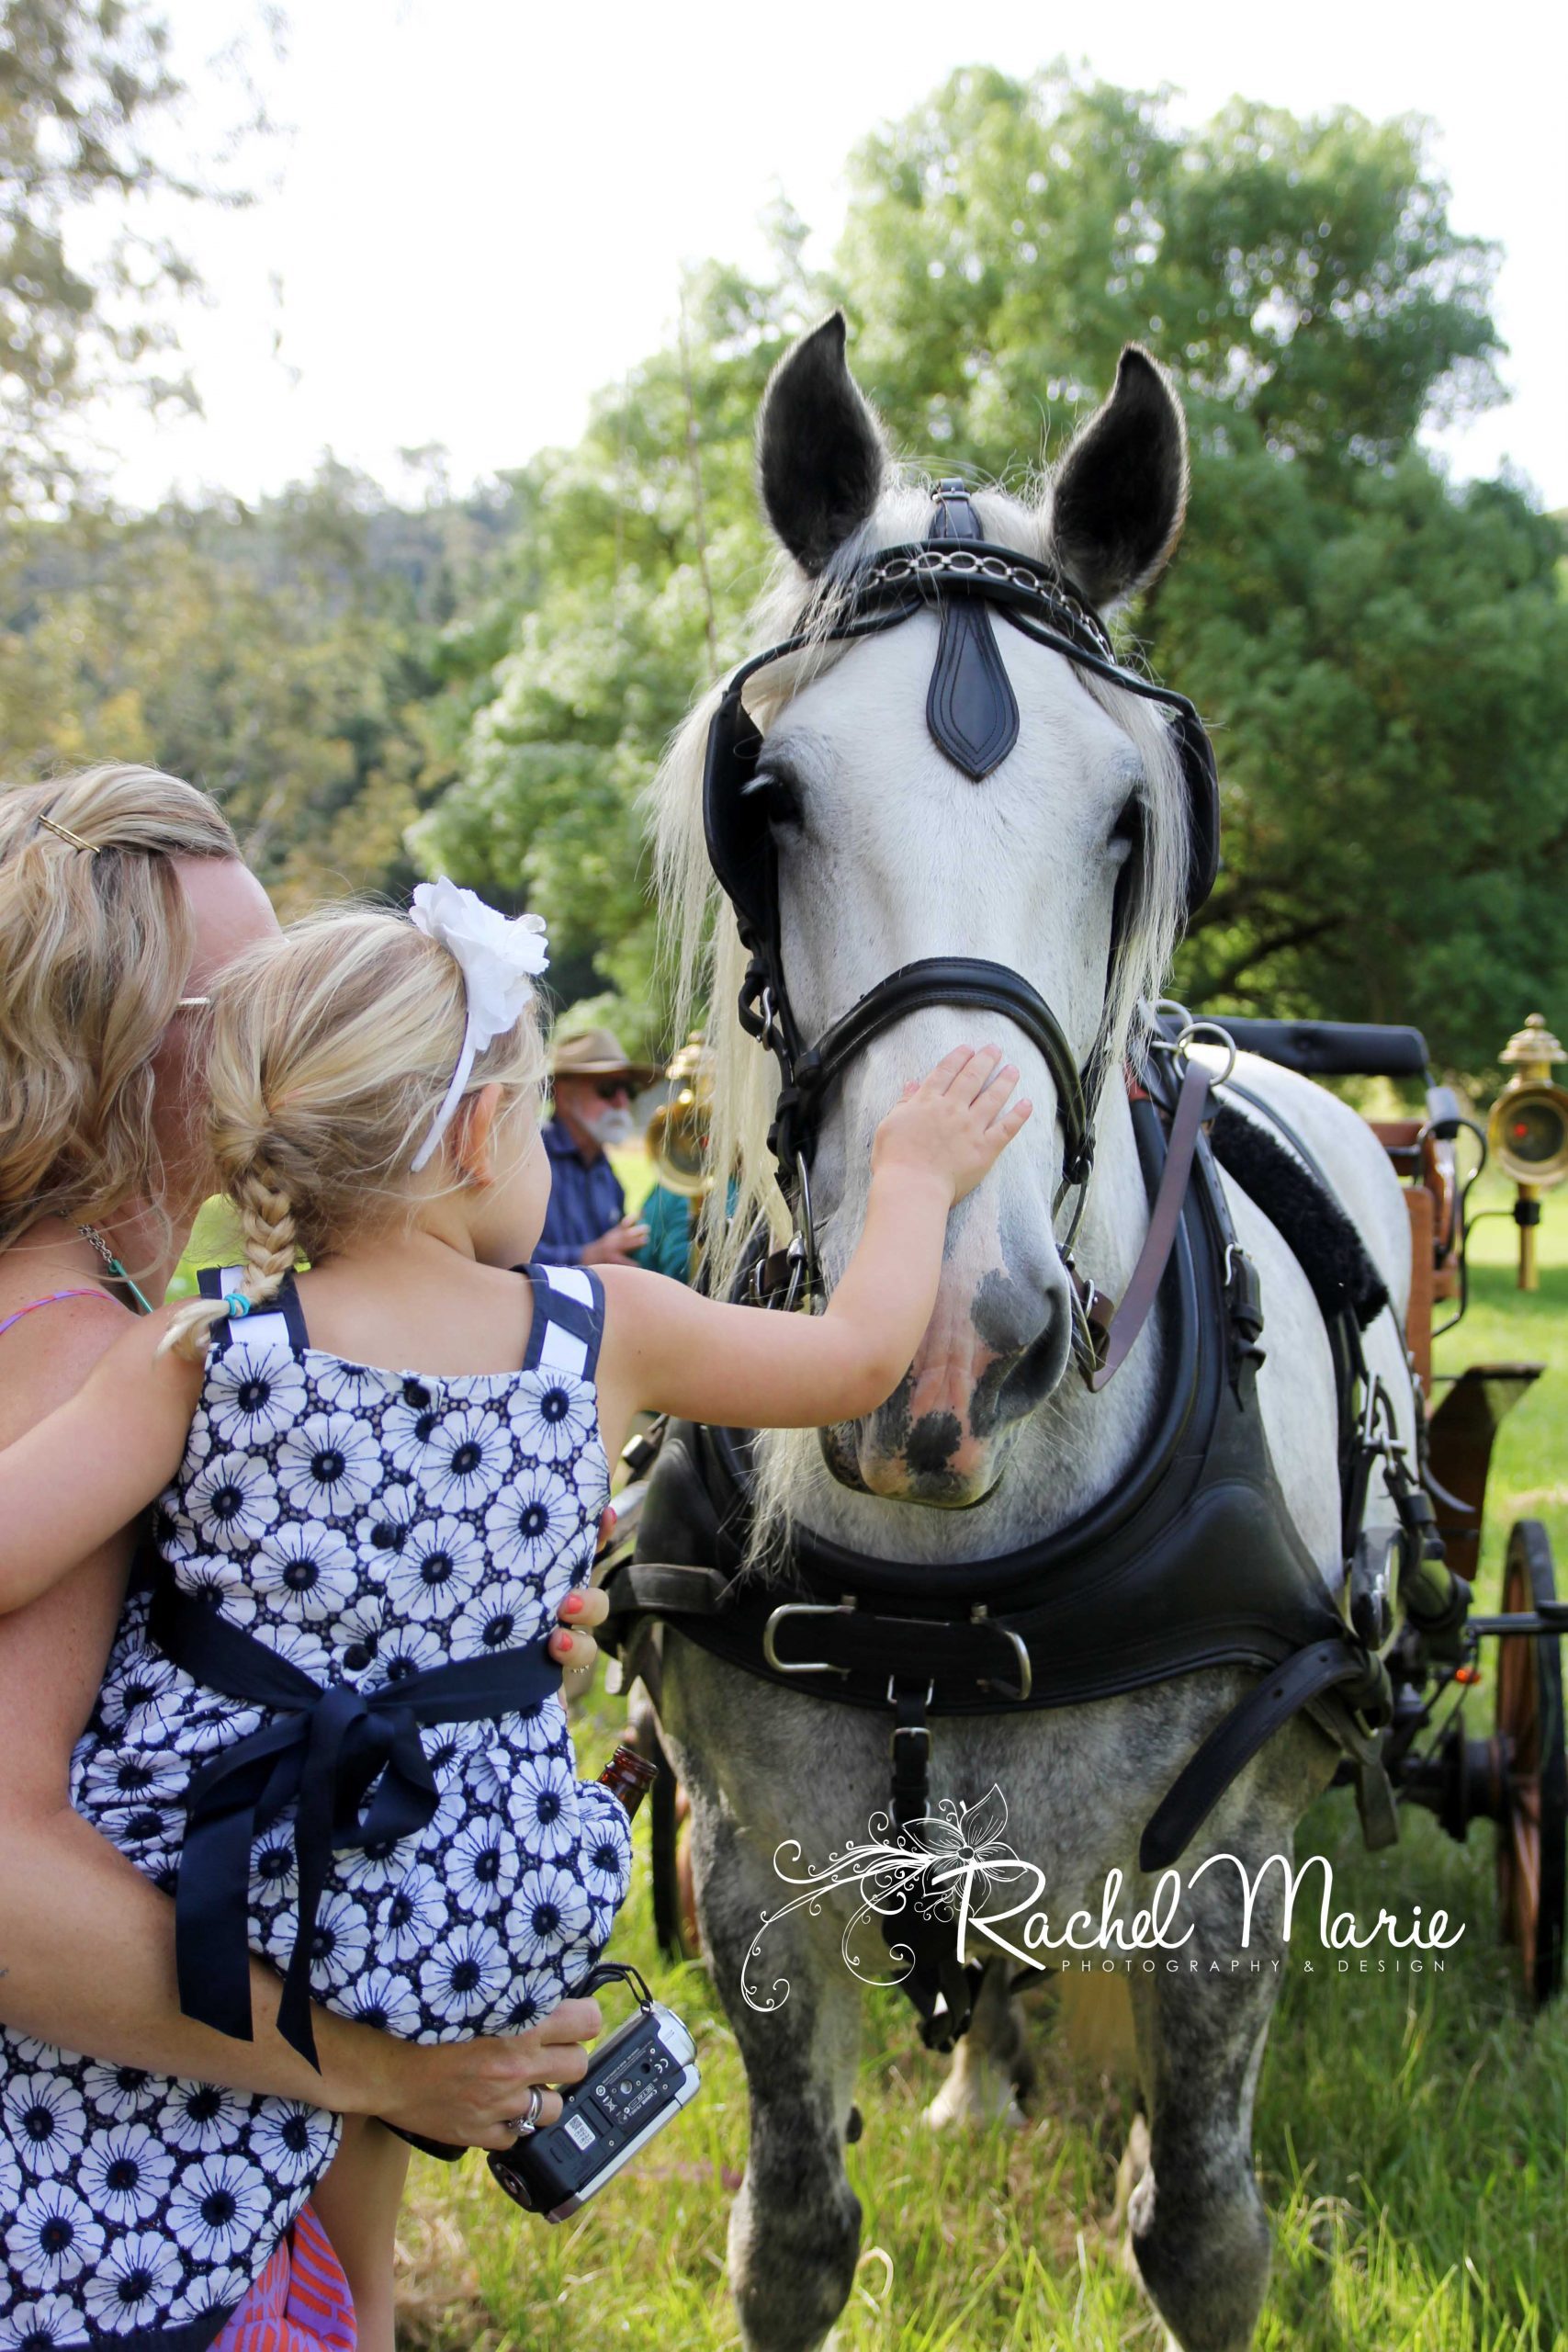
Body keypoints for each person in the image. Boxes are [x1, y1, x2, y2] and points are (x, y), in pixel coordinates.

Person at [0, 880, 1032, 2345]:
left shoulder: (200, 1346)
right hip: (455, 1894)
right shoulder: (594, 1331)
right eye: (542, 1112)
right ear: (480, 1133)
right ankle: (343, 2304)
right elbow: (859, 1355)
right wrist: (917, 1173)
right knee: (373, 2001)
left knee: (246, 2045)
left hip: (212, 1861)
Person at [0, 773, 605, 2352]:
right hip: (111, 2239)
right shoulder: (92, 1362)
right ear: (119, 1035)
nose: (303, 1011)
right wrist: (382, 2066)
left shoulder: (154, 1332)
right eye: (247, 989)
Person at [534, 1026, 657, 1269]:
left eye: (627, 1089)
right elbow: (498, 1260)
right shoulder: (529, 1159)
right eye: (607, 1089)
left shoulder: (602, 1167)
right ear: (563, 1095)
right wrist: (585, 1258)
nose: (621, 1102)